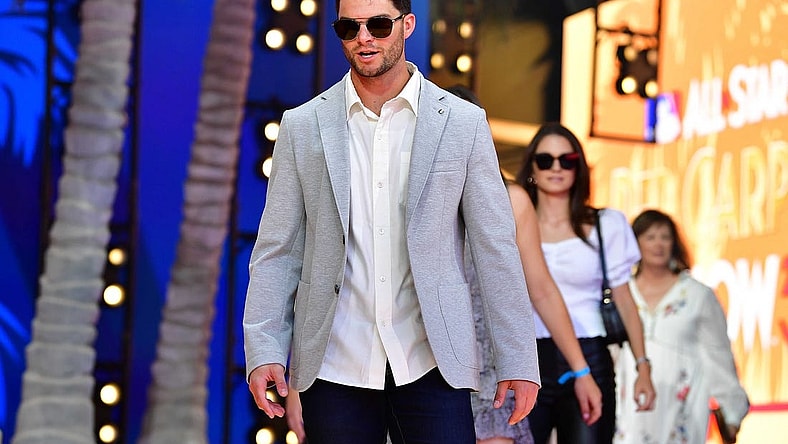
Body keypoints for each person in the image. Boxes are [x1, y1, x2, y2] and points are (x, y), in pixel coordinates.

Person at [243, 1, 540, 443]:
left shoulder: (461, 122)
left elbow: (495, 246)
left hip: (433, 360)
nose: (364, 37)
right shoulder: (302, 125)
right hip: (334, 362)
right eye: (349, 27)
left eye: (379, 25)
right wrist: (264, 347)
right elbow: (277, 249)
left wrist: (517, 358)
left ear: (407, 24)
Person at [444, 85, 603, 444]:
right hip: (425, 366)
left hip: (490, 368)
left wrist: (581, 371)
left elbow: (542, 289)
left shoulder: (511, 200)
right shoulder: (407, 200)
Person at [514, 122, 656, 444]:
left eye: (567, 160)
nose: (556, 168)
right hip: (525, 355)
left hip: (589, 353)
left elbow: (625, 301)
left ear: (579, 167)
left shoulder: (607, 225)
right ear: (532, 167)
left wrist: (643, 367)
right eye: (546, 160)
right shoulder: (511, 223)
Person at [614, 209, 749, 444]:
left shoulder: (698, 295)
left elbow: (717, 353)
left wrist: (731, 408)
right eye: (650, 237)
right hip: (629, 404)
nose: (658, 244)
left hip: (681, 405)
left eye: (665, 237)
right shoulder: (622, 294)